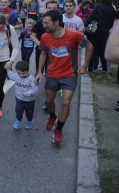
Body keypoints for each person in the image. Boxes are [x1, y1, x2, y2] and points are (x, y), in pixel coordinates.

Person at [35, 10, 93, 144]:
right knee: (49, 101)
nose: (44, 26)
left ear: (56, 22)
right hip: (52, 74)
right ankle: (52, 116)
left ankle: (59, 129)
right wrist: (39, 72)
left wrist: (85, 66)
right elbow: (43, 53)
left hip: (69, 75)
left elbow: (89, 47)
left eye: (46, 23)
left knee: (66, 102)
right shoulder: (45, 36)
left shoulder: (74, 35)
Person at [85, 0, 119, 72]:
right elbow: (111, 23)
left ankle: (90, 69)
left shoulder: (98, 7)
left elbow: (91, 17)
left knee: (94, 50)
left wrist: (85, 26)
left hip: (95, 31)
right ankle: (104, 69)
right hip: (105, 32)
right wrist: (107, 28)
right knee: (103, 51)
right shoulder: (112, 10)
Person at [6, 60, 38, 130]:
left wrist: (27, 93)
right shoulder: (17, 76)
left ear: (27, 71)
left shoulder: (31, 79)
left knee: (29, 112)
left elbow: (35, 89)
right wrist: (8, 70)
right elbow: (11, 76)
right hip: (19, 98)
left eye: (23, 73)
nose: (21, 75)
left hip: (29, 100)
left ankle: (29, 121)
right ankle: (18, 120)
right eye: (19, 73)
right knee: (18, 110)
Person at [31, 0, 59, 76]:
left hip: (55, 51)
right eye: (49, 8)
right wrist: (39, 44)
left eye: (54, 8)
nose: (51, 10)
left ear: (57, 9)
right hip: (41, 51)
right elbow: (32, 35)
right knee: (38, 72)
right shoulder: (40, 21)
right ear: (46, 9)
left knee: (51, 73)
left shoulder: (60, 22)